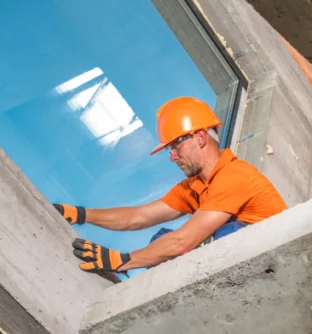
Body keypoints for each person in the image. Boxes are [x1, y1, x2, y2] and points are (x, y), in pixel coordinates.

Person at [53, 96, 287, 272]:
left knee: (222, 236)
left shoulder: (235, 175)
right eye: (169, 149)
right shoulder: (194, 187)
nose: (172, 156)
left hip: (278, 264)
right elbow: (138, 217)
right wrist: (81, 214)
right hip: (244, 269)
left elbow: (183, 242)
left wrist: (121, 261)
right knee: (161, 242)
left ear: (200, 138)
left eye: (175, 146)